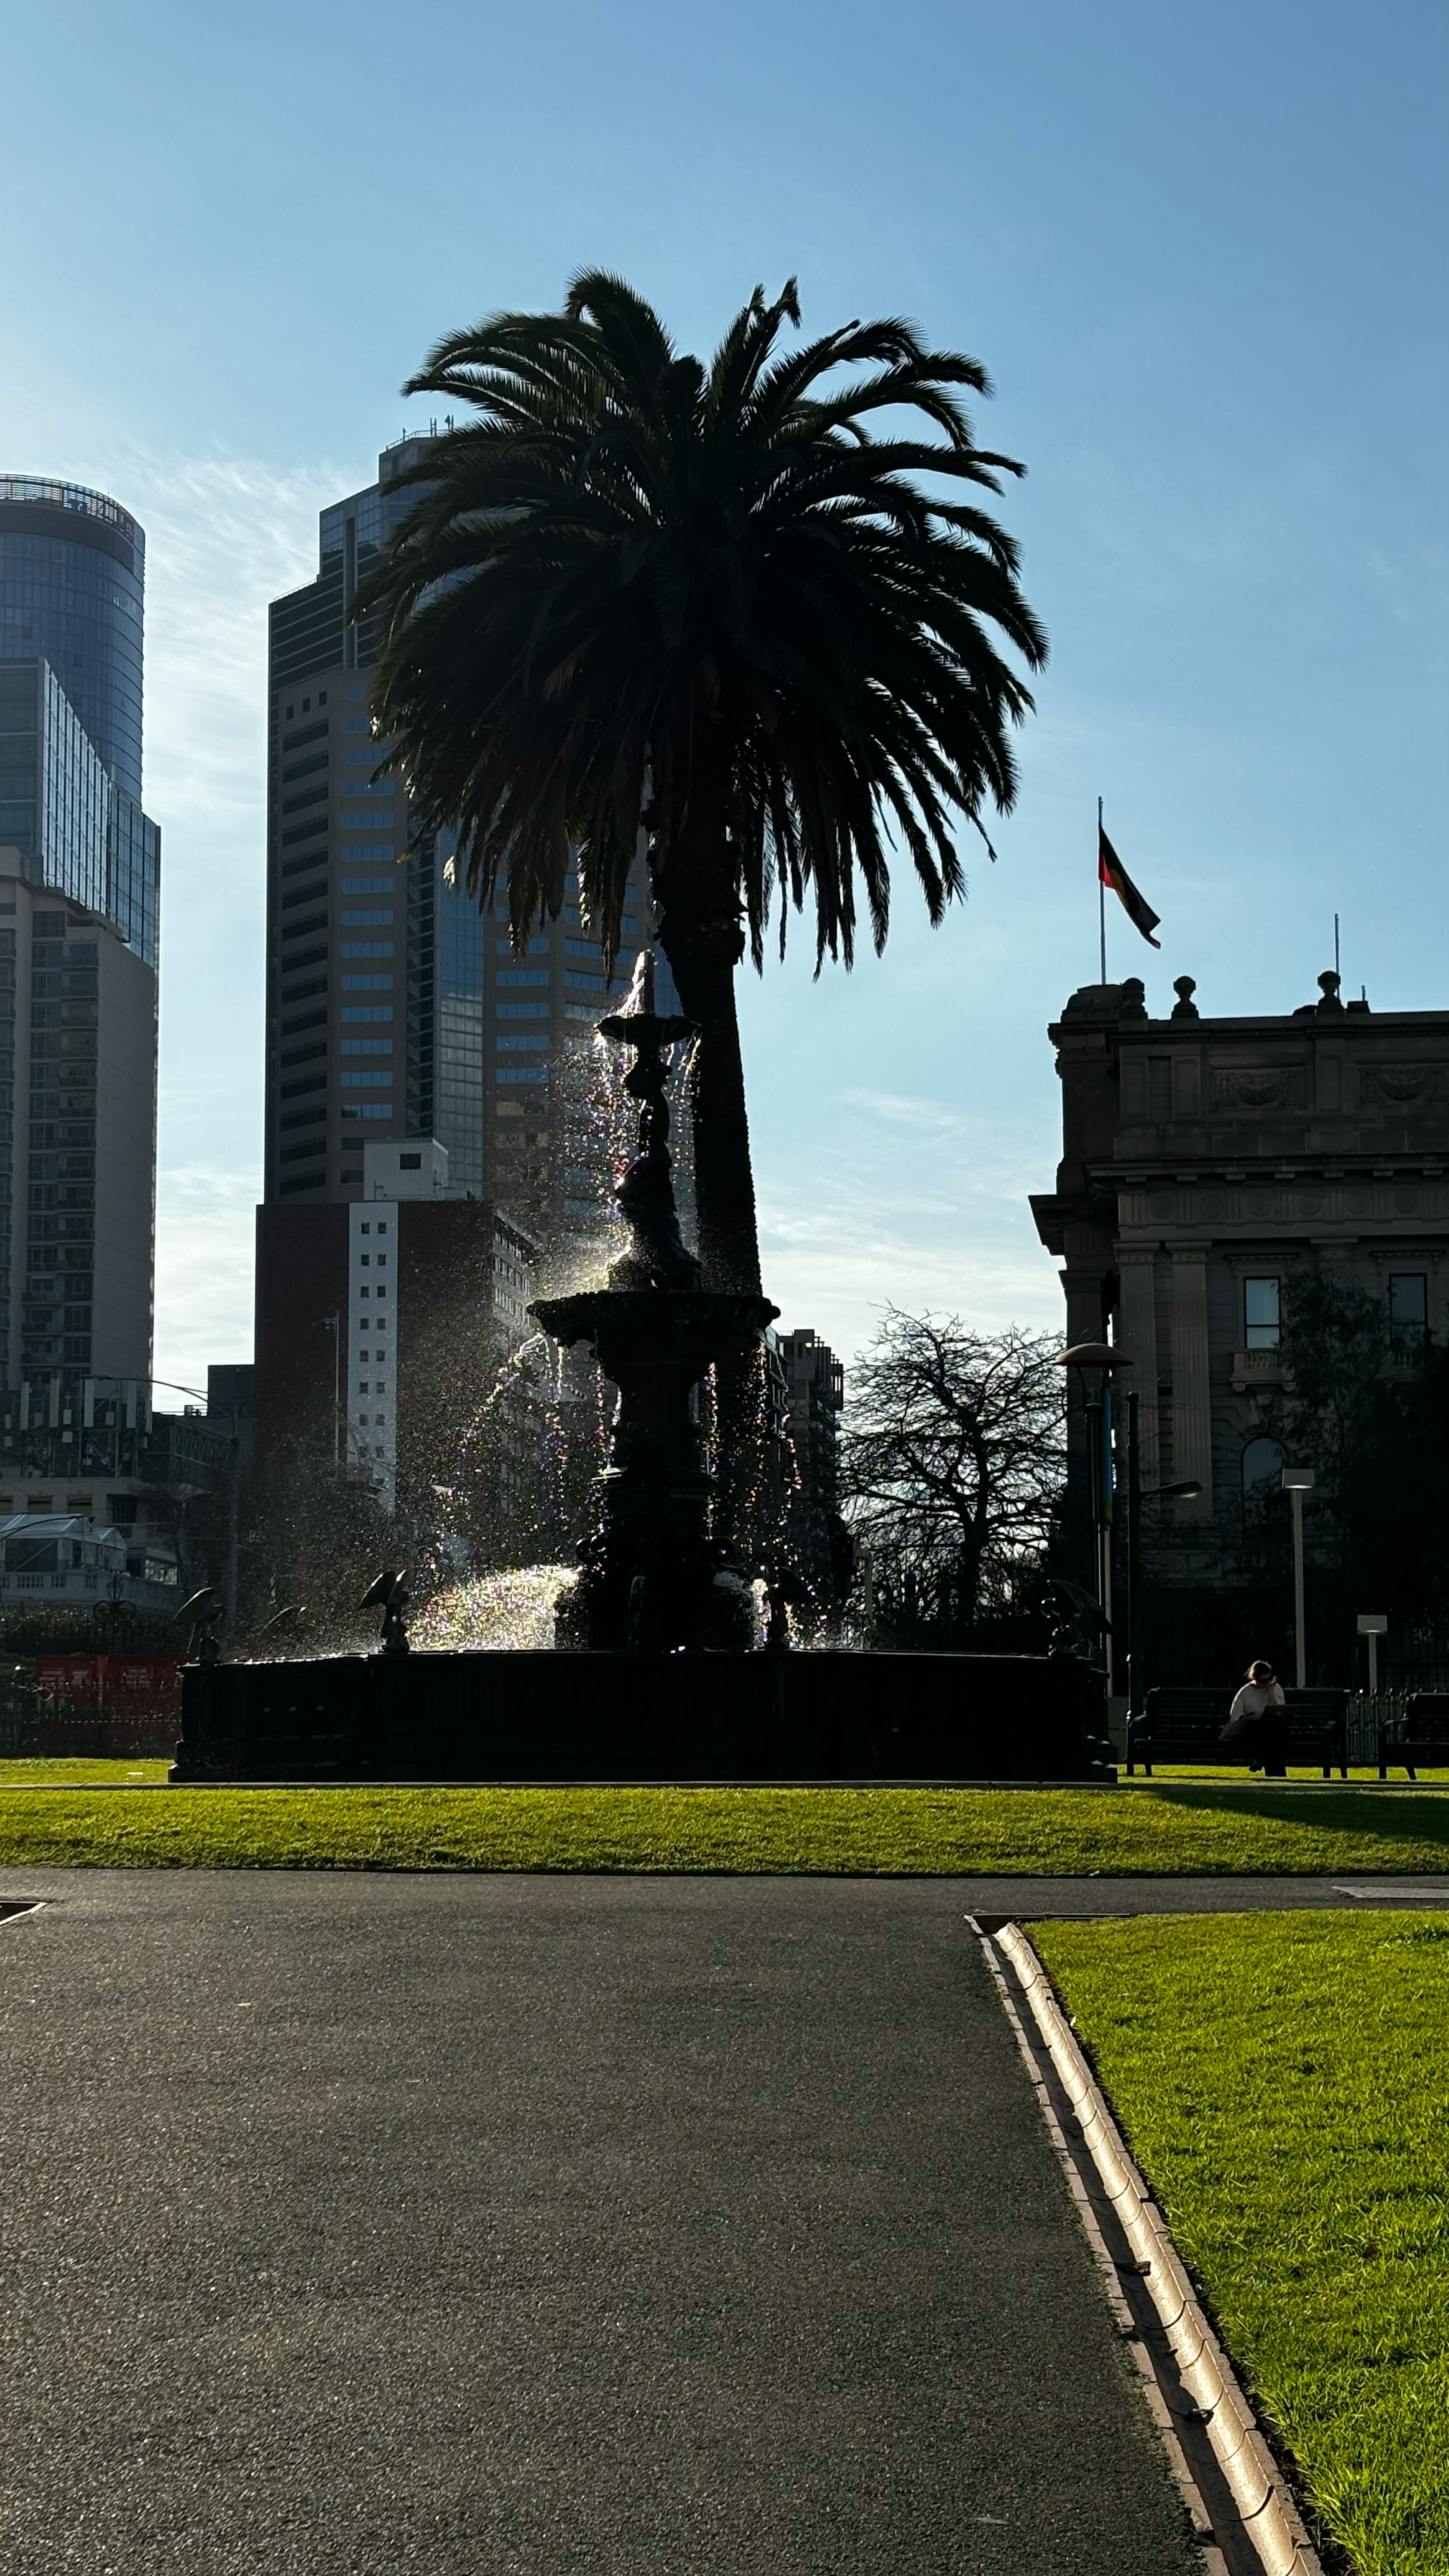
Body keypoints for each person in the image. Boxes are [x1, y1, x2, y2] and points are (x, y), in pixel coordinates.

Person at [1223, 1659, 1288, 1777]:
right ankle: (1267, 1764)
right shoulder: (1245, 1692)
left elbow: (1279, 1710)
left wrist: (1270, 1693)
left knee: (1272, 1728)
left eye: (1268, 1680)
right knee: (1270, 1736)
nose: (1266, 1683)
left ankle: (1261, 1759)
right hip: (1252, 1728)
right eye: (1263, 1681)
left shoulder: (1275, 1689)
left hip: (1271, 1729)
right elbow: (1236, 1715)